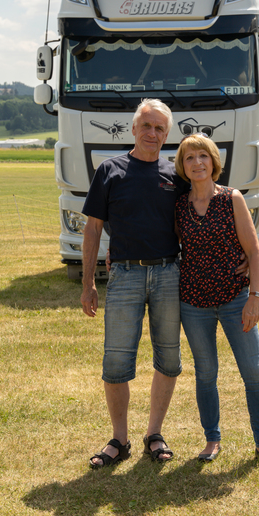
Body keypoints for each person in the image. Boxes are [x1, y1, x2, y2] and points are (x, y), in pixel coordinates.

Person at [80, 99, 189, 467]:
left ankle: (154, 434)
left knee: (169, 358)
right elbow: (93, 229)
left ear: (167, 133)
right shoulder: (110, 169)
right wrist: (88, 283)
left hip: (167, 274)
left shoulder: (176, 174)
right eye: (146, 125)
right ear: (133, 128)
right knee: (115, 362)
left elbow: (197, 218)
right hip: (124, 276)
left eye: (160, 128)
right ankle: (119, 439)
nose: (152, 133)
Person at [174, 133, 259, 467]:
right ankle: (212, 439)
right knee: (206, 373)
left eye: (203, 156)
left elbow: (254, 252)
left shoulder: (232, 198)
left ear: (214, 162)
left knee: (253, 371)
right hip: (193, 303)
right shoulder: (179, 206)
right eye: (190, 158)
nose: (197, 163)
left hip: (236, 299)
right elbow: (163, 243)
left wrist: (254, 296)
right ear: (182, 166)